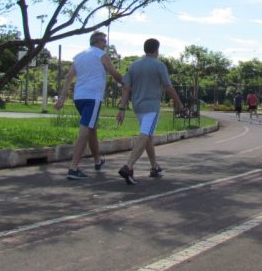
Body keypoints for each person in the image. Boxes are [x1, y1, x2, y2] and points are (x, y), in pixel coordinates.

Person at [54, 31, 123, 180]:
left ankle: (98, 160)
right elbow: (113, 72)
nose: (105, 44)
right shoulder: (101, 55)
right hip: (92, 97)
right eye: (104, 42)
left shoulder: (79, 56)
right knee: (85, 130)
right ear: (98, 42)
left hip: (79, 97)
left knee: (91, 129)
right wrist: (126, 83)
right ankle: (73, 168)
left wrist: (62, 98)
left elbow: (69, 76)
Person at [116, 38, 184, 185]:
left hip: (137, 106)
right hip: (151, 107)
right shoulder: (159, 65)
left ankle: (154, 167)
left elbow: (126, 87)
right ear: (156, 50)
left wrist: (122, 108)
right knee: (145, 135)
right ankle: (128, 166)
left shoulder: (134, 65)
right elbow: (168, 87)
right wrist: (178, 103)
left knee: (148, 137)